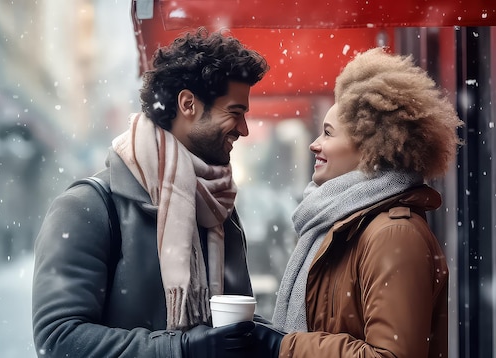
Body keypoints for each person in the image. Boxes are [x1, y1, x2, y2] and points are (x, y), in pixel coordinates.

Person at [31, 27, 270, 358]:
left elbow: (230, 330)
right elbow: (59, 338)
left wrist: (282, 342)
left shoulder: (218, 207)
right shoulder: (88, 206)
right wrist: (180, 349)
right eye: (235, 113)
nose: (243, 130)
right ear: (188, 104)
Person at [248, 47, 463, 357]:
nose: (314, 144)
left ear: (368, 149)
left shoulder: (393, 234)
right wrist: (270, 334)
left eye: (327, 133)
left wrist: (284, 345)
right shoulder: (343, 222)